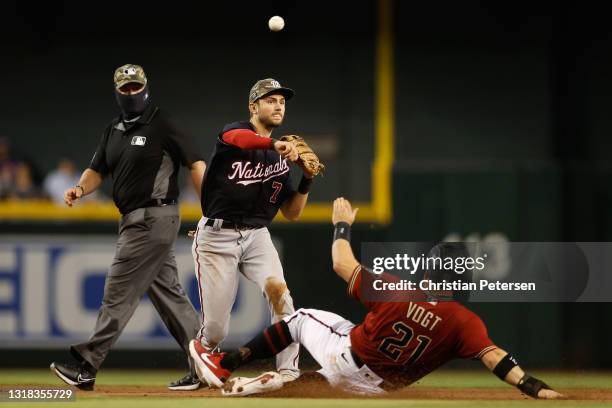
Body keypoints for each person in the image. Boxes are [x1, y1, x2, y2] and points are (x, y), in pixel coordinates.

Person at [190, 198, 564, 399]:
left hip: (348, 355)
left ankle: (230, 362)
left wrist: (342, 224)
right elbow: (496, 358)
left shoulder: (399, 290)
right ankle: (277, 385)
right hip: (379, 390)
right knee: (316, 384)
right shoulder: (466, 322)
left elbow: (341, 263)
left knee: (300, 318)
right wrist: (532, 386)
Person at [50, 64, 205, 391]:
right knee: (171, 298)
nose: (132, 92)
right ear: (118, 92)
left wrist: (210, 211)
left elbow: (197, 162)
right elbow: (97, 169)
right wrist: (79, 189)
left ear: (146, 88)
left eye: (136, 87)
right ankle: (207, 364)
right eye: (126, 88)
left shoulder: (162, 122)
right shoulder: (113, 130)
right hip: (137, 221)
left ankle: (87, 365)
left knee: (117, 292)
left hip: (153, 219)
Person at [189, 78, 315, 383]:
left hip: (257, 235)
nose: (278, 105)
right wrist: (275, 143)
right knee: (217, 328)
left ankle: (288, 373)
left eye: (282, 102)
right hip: (218, 236)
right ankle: (200, 366)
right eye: (270, 100)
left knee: (282, 298)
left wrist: (307, 180)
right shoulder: (233, 133)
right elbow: (242, 140)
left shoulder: (280, 159)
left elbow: (292, 213)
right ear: (253, 106)